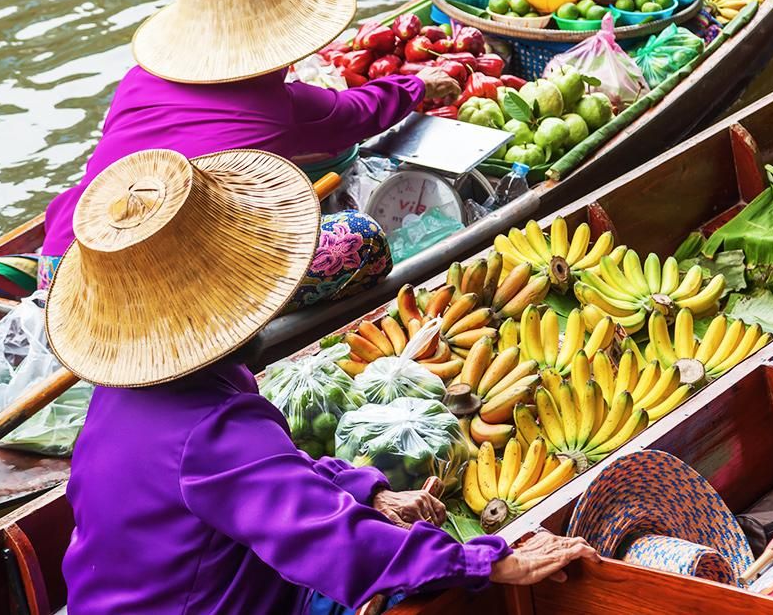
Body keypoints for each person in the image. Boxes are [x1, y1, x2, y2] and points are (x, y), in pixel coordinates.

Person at [44, 146, 597, 615]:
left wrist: (367, 490)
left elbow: (268, 476)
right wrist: (492, 560)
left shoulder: (120, 392)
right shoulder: (213, 427)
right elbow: (327, 540)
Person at [37, 0, 461, 310]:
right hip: (156, 293)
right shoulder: (280, 107)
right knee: (359, 239)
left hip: (63, 260)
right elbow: (358, 113)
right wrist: (418, 86)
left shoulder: (138, 80)